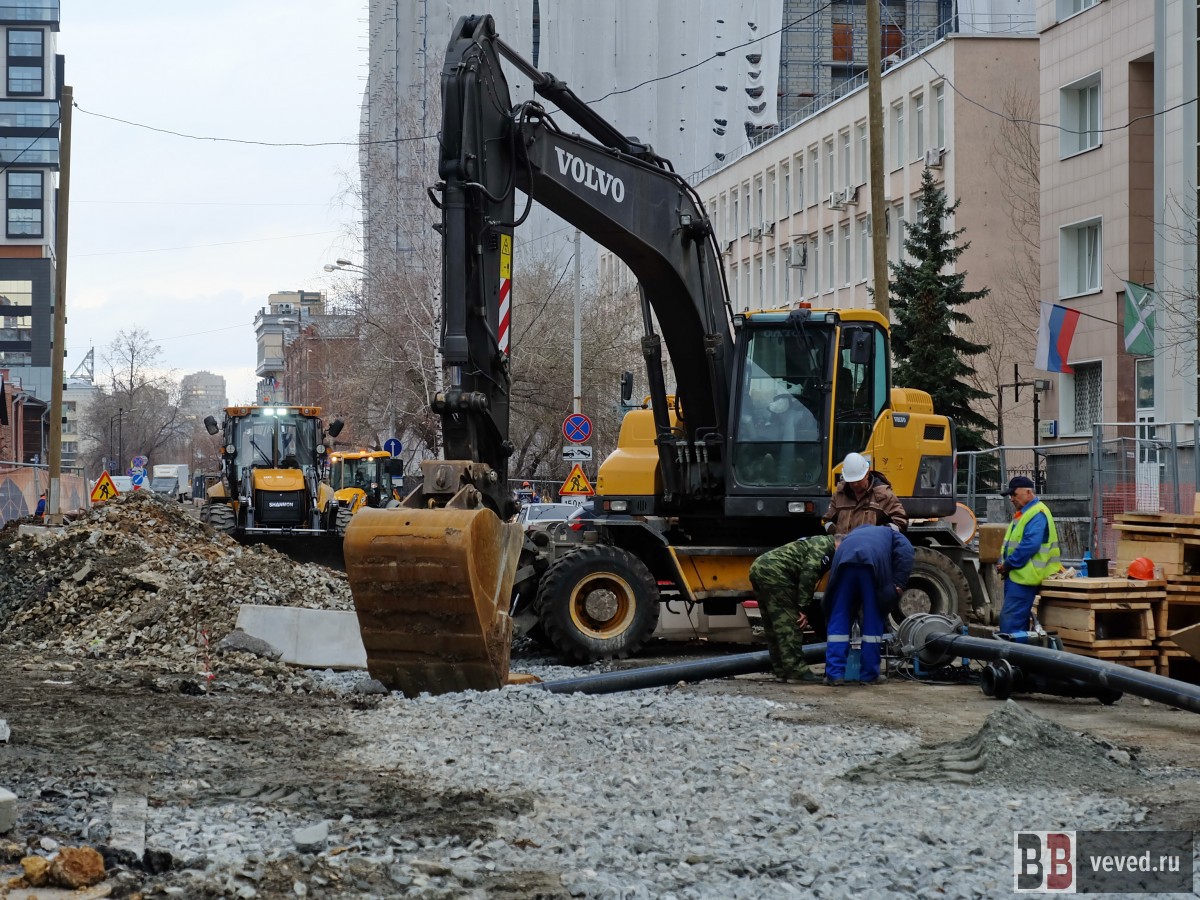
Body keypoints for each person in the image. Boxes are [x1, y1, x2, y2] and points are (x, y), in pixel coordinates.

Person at [822, 525, 913, 685]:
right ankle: (869, 674)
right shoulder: (895, 536)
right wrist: (898, 583)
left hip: (844, 563)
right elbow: (906, 553)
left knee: (839, 615)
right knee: (873, 617)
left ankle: (834, 674)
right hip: (870, 565)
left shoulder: (856, 533)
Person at [749, 535, 836, 683]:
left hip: (759, 567)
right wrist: (803, 608)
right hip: (775, 572)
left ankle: (781, 670)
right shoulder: (824, 547)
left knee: (774, 626)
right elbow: (808, 575)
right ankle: (797, 672)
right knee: (789, 624)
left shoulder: (818, 541)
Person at [996, 475, 1062, 634]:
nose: (1011, 499)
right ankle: (1017, 657)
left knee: (1011, 626)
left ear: (1027, 492)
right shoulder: (1025, 513)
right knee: (1015, 624)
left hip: (1024, 577)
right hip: (1018, 576)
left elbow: (1030, 545)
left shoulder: (1036, 513)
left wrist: (1008, 564)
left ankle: (1011, 657)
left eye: (1014, 494)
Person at [824, 451, 907, 535]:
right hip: (845, 547)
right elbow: (827, 521)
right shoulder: (839, 495)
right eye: (851, 481)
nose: (855, 485)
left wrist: (880, 535)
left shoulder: (883, 495)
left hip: (872, 547)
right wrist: (837, 537)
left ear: (867, 474)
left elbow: (901, 522)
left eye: (858, 480)